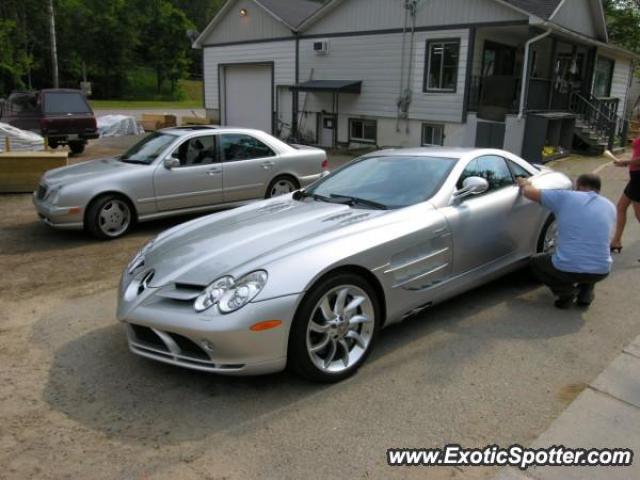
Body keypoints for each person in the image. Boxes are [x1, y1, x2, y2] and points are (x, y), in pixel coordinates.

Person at [517, 174, 616, 309]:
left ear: (579, 185)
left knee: (536, 262)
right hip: (602, 270)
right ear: (598, 189)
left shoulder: (566, 197)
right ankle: (586, 293)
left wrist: (524, 183)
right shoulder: (610, 206)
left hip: (569, 267)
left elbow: (529, 193)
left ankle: (565, 292)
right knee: (591, 253)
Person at [606, 142, 640, 252]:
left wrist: (625, 162)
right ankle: (616, 241)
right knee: (621, 207)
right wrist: (626, 162)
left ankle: (616, 241)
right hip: (635, 178)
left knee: (639, 214)